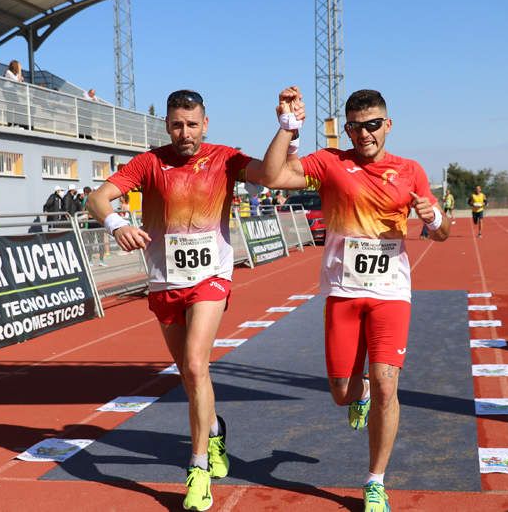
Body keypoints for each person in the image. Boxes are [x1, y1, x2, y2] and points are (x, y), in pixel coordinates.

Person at [86, 89, 291, 511]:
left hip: (211, 277)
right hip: (165, 281)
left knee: (197, 364)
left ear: (206, 123)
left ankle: (197, 468)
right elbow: (97, 198)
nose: (185, 133)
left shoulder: (225, 158)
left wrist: (286, 128)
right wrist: (116, 224)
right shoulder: (149, 161)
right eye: (177, 124)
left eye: (192, 124)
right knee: (188, 373)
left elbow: (270, 175)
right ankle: (214, 431)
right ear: (166, 124)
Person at [261, 87, 450, 512]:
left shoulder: (410, 170)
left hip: (390, 294)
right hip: (343, 292)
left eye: (372, 125)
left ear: (388, 124)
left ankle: (375, 481)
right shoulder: (330, 162)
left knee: (388, 384)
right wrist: (288, 128)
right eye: (355, 127)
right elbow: (273, 176)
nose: (364, 134)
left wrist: (434, 218)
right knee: (342, 393)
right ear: (346, 129)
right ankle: (357, 392)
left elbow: (442, 232)